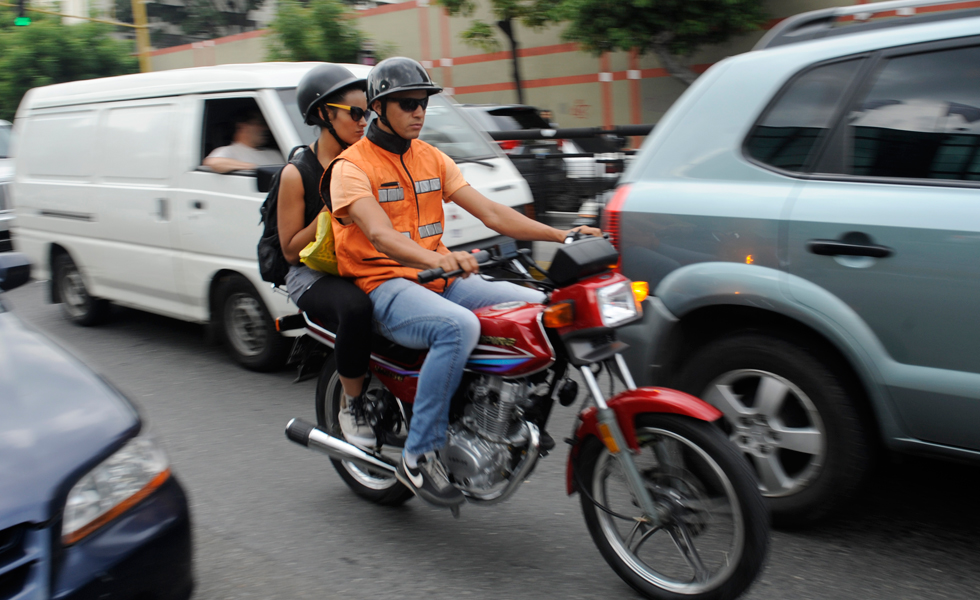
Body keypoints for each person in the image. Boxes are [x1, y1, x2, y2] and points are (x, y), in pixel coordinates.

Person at [327, 57, 600, 507]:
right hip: (383, 283)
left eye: (424, 103)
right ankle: (419, 453)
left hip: (438, 278)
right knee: (458, 328)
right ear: (378, 107)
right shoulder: (350, 167)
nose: (419, 112)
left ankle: (503, 416)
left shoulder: (431, 157)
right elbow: (379, 235)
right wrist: (444, 258)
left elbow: (492, 213)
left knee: (541, 307)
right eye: (408, 103)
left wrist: (562, 234)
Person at [277, 64, 376, 449]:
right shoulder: (296, 173)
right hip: (309, 273)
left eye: (367, 113)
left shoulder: (364, 162)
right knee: (356, 309)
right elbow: (289, 249)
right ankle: (353, 405)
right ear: (323, 114)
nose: (363, 121)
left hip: (355, 259)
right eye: (354, 113)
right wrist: (327, 211)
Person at [203, 109, 285, 173]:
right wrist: (257, 168)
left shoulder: (275, 153)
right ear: (242, 126)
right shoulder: (228, 151)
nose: (266, 128)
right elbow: (213, 162)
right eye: (260, 123)